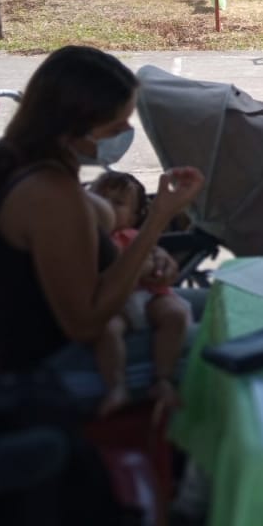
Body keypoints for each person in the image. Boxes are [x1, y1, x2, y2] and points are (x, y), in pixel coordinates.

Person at [0, 45, 204, 401]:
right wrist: (157, 219)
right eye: (116, 126)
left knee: (226, 303)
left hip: (45, 339)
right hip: (50, 369)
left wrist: (145, 257)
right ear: (72, 131)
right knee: (227, 339)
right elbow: (87, 322)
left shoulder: (19, 162)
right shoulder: (52, 196)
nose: (127, 132)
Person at [89, 170, 193, 417]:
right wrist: (139, 267)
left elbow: (154, 253)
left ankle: (163, 379)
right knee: (107, 330)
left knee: (175, 314)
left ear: (134, 217)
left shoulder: (134, 236)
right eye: (100, 198)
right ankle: (116, 386)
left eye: (118, 203)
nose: (107, 206)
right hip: (116, 305)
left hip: (149, 296)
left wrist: (159, 264)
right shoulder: (89, 238)